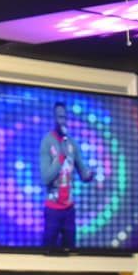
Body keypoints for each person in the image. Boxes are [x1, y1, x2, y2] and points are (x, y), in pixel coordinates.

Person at [39, 102, 94, 249]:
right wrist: (61, 157)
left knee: (70, 251)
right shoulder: (47, 142)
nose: (61, 121)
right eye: (58, 117)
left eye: (64, 117)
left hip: (69, 211)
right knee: (49, 251)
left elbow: (83, 172)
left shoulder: (73, 144)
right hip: (52, 210)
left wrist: (89, 175)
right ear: (53, 119)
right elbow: (45, 178)